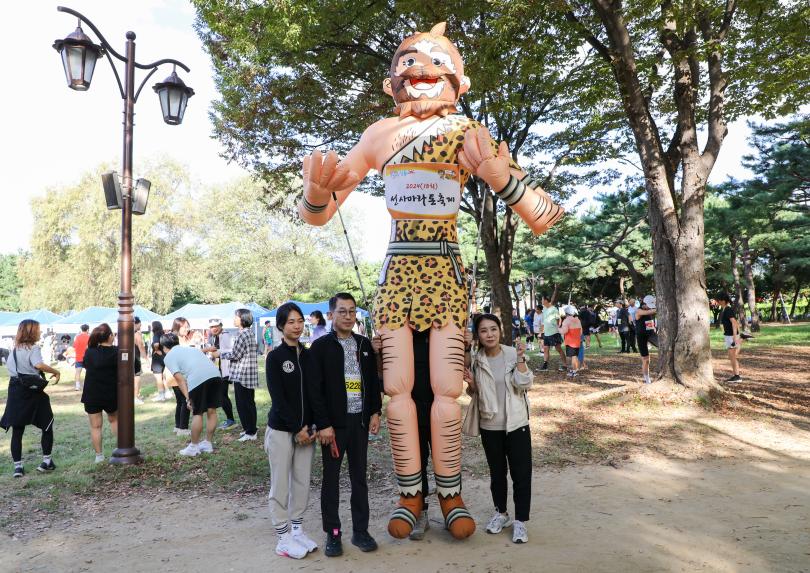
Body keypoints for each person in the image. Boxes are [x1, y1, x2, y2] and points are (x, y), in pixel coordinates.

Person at [308, 292, 382, 557]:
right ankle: (333, 533)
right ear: (331, 315)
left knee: (359, 478)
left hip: (359, 422)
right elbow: (314, 390)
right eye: (342, 311)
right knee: (331, 480)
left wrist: (375, 411)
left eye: (352, 311)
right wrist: (323, 424)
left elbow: (372, 381)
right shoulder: (320, 347)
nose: (348, 316)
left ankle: (361, 531)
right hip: (333, 427)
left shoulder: (363, 344)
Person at [463, 313, 533, 544]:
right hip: (489, 425)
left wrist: (521, 359)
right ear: (478, 335)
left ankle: (520, 521)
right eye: (483, 330)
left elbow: (525, 384)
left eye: (493, 329)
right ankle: (501, 513)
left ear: (500, 330)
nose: (489, 334)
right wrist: (472, 385)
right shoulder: (477, 360)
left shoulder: (513, 354)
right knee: (497, 473)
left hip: (517, 424)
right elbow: (475, 393)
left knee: (521, 474)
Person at [265, 303, 318, 559]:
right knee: (280, 484)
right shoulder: (275, 358)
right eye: (291, 322)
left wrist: (311, 426)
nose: (297, 326)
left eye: (300, 321)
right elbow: (279, 399)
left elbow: (315, 394)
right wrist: (297, 428)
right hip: (282, 431)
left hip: (307, 432)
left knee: (301, 481)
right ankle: (283, 537)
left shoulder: (308, 356)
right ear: (281, 326)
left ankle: (297, 530)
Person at [1, 319, 61, 477]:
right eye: (38, 329)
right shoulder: (33, 348)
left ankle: (18, 467)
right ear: (31, 331)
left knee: (17, 429)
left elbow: (11, 369)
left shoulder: (15, 350)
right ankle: (46, 461)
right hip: (32, 391)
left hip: (16, 391)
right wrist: (56, 371)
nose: (40, 332)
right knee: (47, 424)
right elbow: (38, 365)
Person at [162, 332, 222, 456]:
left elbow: (180, 380)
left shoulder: (168, 357)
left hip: (198, 379)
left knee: (197, 412)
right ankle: (208, 443)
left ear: (164, 347)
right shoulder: (190, 349)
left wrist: (188, 398)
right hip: (216, 375)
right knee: (212, 411)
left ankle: (194, 446)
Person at [215, 309, 259, 441]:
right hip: (247, 373)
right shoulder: (248, 332)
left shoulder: (243, 334)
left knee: (244, 404)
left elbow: (235, 355)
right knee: (248, 403)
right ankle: (249, 429)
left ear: (242, 319)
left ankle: (250, 432)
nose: (234, 319)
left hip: (242, 374)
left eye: (236, 317)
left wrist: (220, 354)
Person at [81, 323, 118, 463]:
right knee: (114, 420)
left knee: (95, 426)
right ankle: (121, 448)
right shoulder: (117, 351)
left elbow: (86, 365)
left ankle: (99, 456)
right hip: (111, 392)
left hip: (92, 393)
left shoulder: (90, 351)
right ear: (110, 336)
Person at [203, 317, 236, 430]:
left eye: (216, 326)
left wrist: (218, 352)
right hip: (217, 370)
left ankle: (231, 420)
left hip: (225, 370)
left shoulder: (226, 335)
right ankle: (230, 419)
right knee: (222, 395)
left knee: (222, 396)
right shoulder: (213, 337)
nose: (214, 328)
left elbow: (233, 350)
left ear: (221, 326)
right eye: (211, 327)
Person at [169, 318, 192, 436]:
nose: (187, 329)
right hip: (177, 374)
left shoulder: (175, 338)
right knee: (185, 400)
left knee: (180, 401)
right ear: (177, 327)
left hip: (174, 374)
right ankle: (183, 428)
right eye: (184, 327)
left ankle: (178, 426)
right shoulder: (175, 339)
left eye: (187, 326)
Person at [718, 293, 743, 383]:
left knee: (732, 357)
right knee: (732, 356)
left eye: (719, 300)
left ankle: (737, 376)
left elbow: (734, 322)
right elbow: (735, 323)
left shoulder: (728, 309)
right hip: (729, 335)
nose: (718, 302)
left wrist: (735, 336)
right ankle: (736, 375)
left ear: (723, 301)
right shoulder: (725, 309)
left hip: (731, 336)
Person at [635, 296, 658, 384]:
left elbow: (650, 322)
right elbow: (649, 312)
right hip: (641, 337)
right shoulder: (639, 311)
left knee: (664, 347)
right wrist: (658, 309)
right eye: (648, 305)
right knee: (646, 360)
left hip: (651, 335)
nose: (650, 307)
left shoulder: (650, 310)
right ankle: (647, 379)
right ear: (643, 304)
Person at [539, 295, 566, 372]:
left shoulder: (554, 309)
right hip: (546, 333)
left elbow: (558, 319)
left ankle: (565, 365)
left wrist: (558, 328)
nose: (541, 301)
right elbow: (544, 322)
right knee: (545, 349)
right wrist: (541, 332)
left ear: (546, 301)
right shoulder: (544, 309)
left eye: (542, 300)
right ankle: (545, 366)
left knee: (558, 349)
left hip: (554, 333)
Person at [560, 306, 583, 377]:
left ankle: (573, 371)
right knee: (575, 356)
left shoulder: (566, 321)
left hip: (570, 342)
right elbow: (581, 332)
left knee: (571, 357)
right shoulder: (578, 320)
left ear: (566, 313)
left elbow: (564, 331)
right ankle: (575, 370)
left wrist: (558, 329)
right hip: (577, 341)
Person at [150, 321, 168, 401]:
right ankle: (167, 392)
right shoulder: (163, 334)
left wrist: (156, 350)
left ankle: (161, 395)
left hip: (157, 358)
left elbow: (156, 344)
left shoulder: (156, 335)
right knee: (162, 377)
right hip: (163, 357)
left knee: (158, 377)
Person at [133, 317, 146, 405]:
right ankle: (135, 397)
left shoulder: (125, 332)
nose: (140, 326)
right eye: (140, 325)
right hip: (135, 359)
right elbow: (141, 346)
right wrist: (146, 358)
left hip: (126, 359)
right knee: (137, 377)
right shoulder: (137, 334)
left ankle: (135, 395)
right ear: (135, 323)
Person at [73, 324, 90, 391]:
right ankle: (86, 385)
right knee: (88, 372)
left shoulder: (77, 337)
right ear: (87, 330)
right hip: (87, 357)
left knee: (78, 372)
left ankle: (77, 386)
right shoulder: (89, 337)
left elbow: (74, 346)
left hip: (78, 357)